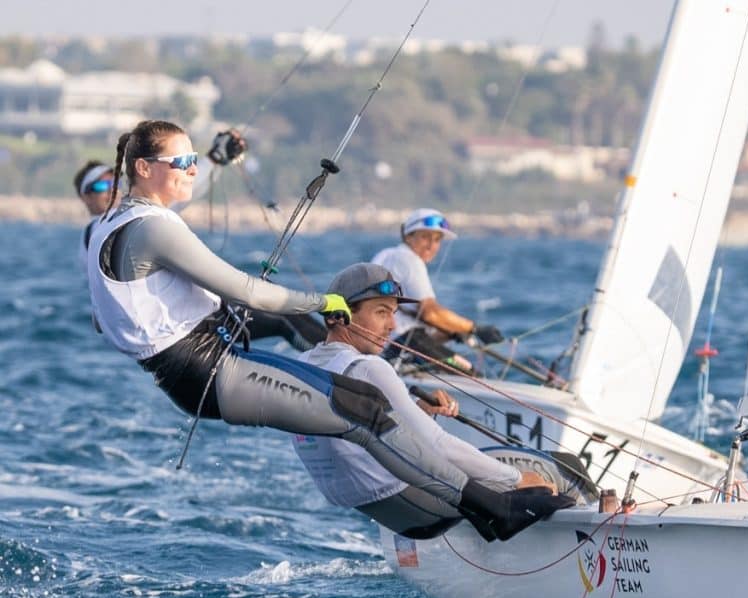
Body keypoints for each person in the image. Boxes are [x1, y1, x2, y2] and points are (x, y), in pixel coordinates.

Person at [87, 119, 571, 542]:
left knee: (364, 405)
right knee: (364, 415)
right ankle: (494, 510)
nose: (192, 168)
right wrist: (323, 301)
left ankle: (476, 494)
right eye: (182, 160)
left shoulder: (111, 224)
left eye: (194, 159)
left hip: (203, 366)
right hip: (208, 371)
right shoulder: (154, 228)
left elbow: (103, 316)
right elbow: (249, 292)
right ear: (145, 168)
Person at [292, 262, 580, 540]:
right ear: (337, 317)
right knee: (564, 471)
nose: (392, 325)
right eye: (381, 312)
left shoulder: (303, 364)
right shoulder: (369, 368)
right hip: (426, 510)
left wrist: (418, 413)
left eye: (393, 313)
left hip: (391, 514)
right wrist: (517, 479)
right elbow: (437, 446)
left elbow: (359, 431)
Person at [73, 131, 326, 352]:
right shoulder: (100, 231)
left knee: (287, 312)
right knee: (282, 320)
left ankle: (345, 359)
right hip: (176, 327)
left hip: (187, 315)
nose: (109, 189)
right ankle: (338, 364)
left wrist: (214, 159)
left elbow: (176, 197)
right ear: (85, 198)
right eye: (98, 187)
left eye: (112, 180)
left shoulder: (133, 219)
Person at [372, 208, 504, 372]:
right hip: (407, 344)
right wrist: (475, 328)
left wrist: (451, 332)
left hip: (383, 348)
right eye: (425, 237)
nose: (432, 245)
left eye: (437, 239)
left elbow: (406, 319)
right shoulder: (409, 260)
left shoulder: (386, 255)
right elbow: (430, 313)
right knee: (472, 376)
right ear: (408, 236)